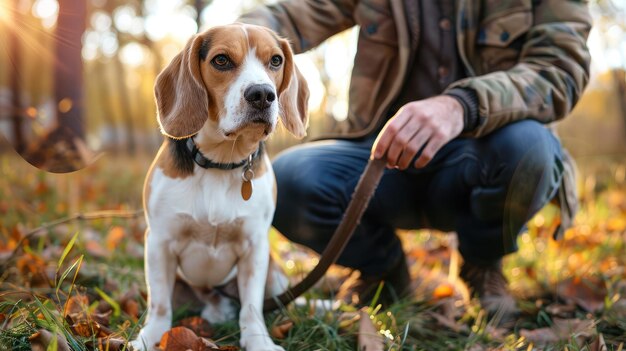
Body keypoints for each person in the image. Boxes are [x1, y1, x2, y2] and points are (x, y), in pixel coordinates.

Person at [239, 0, 591, 315]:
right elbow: (289, 15)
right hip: (378, 159)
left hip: (484, 155)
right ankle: (384, 272)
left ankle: (482, 265)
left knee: (532, 150)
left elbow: (560, 70)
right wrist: (222, 45)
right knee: (286, 179)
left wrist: (461, 106)